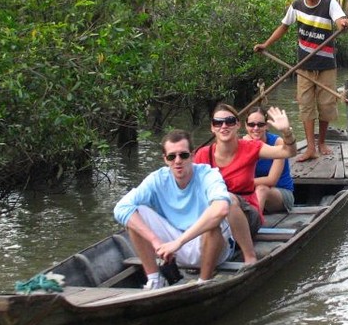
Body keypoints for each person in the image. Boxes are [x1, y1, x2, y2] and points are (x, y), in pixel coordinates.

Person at [254, 0, 348, 161]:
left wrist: (345, 23)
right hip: (304, 65)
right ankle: (310, 148)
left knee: (326, 105)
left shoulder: (329, 4)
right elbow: (284, 26)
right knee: (306, 105)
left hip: (326, 64)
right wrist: (266, 44)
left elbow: (340, 20)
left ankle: (322, 142)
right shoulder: (297, 6)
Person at [113, 130, 233, 289]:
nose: (178, 161)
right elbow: (120, 208)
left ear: (192, 155)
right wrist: (156, 242)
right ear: (165, 159)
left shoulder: (208, 175)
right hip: (172, 248)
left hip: (211, 247)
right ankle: (154, 279)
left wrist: (178, 242)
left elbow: (221, 209)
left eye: (183, 155)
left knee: (212, 221)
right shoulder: (157, 179)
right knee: (135, 212)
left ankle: (204, 281)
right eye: (171, 156)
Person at [193, 104, 297, 263]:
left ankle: (249, 257)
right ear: (212, 128)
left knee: (227, 198)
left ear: (237, 125)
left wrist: (286, 131)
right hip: (215, 216)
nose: (224, 126)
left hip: (247, 214)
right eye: (218, 122)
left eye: (229, 121)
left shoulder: (251, 147)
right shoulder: (203, 155)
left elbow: (288, 152)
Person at [244, 107, 295, 214]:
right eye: (251, 125)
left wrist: (240, 183)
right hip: (250, 191)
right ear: (246, 126)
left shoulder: (277, 143)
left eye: (260, 125)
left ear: (266, 126)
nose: (256, 128)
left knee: (262, 189)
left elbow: (271, 180)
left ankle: (252, 225)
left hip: (279, 192)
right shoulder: (241, 144)